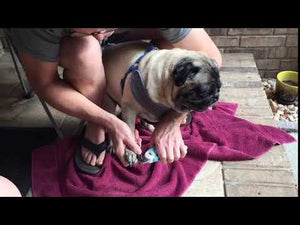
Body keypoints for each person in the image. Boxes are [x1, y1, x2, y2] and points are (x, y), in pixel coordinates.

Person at [8, 28, 222, 173]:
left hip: (132, 35)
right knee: (87, 51)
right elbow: (45, 84)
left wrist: (173, 118)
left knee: (177, 47)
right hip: (71, 45)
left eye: (105, 29)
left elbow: (210, 55)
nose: (101, 37)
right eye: (93, 30)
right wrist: (108, 121)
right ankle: (94, 124)